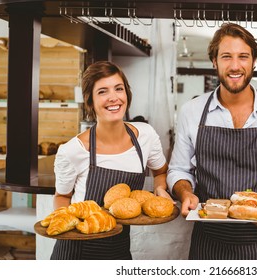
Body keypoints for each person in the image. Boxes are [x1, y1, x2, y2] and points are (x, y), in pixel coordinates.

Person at [167, 23, 257, 260]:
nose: (235, 66)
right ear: (214, 61)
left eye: (243, 56)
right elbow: (179, 170)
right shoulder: (191, 111)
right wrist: (185, 193)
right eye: (226, 57)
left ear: (254, 60)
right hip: (208, 242)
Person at [51, 61, 171, 260]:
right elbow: (62, 197)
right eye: (102, 92)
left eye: (119, 89)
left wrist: (160, 190)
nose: (113, 97)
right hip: (76, 252)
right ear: (90, 101)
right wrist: (69, 224)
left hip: (119, 250)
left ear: (127, 94)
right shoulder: (74, 150)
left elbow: (160, 171)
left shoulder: (145, 136)